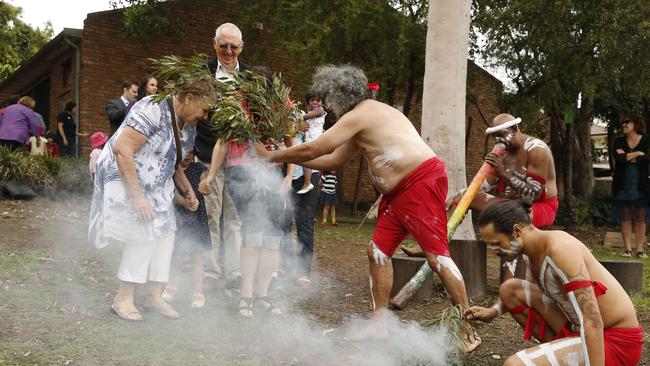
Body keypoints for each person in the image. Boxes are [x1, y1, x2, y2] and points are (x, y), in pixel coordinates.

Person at [258, 65, 480, 350]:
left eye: (329, 98)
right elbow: (333, 160)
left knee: (437, 258)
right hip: (400, 193)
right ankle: (379, 324)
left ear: (340, 94)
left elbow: (316, 148)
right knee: (377, 252)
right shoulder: (363, 118)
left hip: (420, 183)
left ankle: (466, 327)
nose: (328, 105)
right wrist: (287, 159)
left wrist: (272, 156)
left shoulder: (362, 113)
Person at [88, 78, 215, 321]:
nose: (205, 116)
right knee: (144, 229)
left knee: (166, 231)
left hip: (156, 182)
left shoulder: (187, 124)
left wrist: (188, 191)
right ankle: (123, 299)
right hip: (128, 175)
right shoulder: (153, 108)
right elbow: (123, 149)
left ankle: (153, 296)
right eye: (205, 110)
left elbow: (173, 162)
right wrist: (138, 198)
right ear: (189, 98)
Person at [466, 199, 642, 366]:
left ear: (517, 231)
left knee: (515, 364)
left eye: (497, 244)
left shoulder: (560, 250)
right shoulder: (531, 252)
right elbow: (526, 296)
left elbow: (593, 320)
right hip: (579, 330)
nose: (494, 251)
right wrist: (493, 311)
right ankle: (561, 353)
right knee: (509, 290)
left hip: (613, 342)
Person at [199, 136, 294, 318]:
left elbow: (291, 140)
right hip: (241, 171)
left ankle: (262, 294)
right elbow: (222, 142)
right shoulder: (235, 107)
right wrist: (211, 175)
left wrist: (289, 175)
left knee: (272, 237)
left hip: (274, 173)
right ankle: (246, 295)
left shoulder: (282, 107)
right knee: (253, 232)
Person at [194, 22, 245, 283]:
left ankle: (234, 270)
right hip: (206, 156)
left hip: (238, 162)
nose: (228, 51)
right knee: (212, 216)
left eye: (233, 47)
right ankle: (213, 271)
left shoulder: (250, 79)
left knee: (234, 219)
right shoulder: (201, 73)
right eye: (223, 45)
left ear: (241, 48)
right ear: (214, 44)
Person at [162, 151, 211, 309]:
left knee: (197, 256)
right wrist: (184, 201)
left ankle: (198, 292)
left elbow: (206, 187)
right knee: (178, 254)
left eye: (191, 152)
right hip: (179, 217)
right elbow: (171, 193)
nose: (188, 155)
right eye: (185, 152)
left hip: (197, 217)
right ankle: (172, 286)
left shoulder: (199, 168)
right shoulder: (171, 170)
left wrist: (205, 187)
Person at [611, 115, 649, 259]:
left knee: (641, 217)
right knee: (625, 216)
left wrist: (628, 156)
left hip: (641, 185)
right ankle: (627, 249)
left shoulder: (646, 140)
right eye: (623, 122)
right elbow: (619, 159)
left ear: (636, 124)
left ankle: (640, 250)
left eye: (627, 122)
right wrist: (638, 154)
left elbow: (647, 158)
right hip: (623, 184)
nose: (624, 124)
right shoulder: (619, 141)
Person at [296, 91, 326, 194]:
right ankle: (308, 181)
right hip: (309, 139)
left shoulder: (320, 110)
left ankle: (308, 182)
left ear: (322, 103)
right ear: (308, 102)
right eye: (312, 100)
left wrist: (304, 117)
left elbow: (316, 113)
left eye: (318, 100)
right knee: (307, 161)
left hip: (315, 139)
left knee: (307, 159)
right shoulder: (309, 113)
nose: (315, 102)